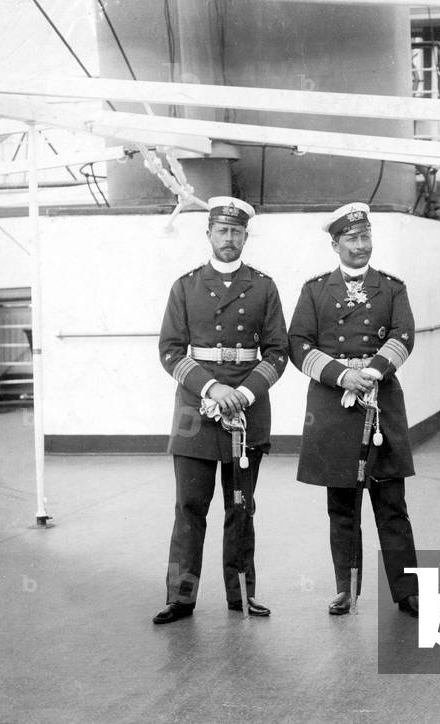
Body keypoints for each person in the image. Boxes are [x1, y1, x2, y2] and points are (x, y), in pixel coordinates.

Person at [153, 196, 289, 624]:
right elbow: (170, 351)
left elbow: (278, 352)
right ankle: (180, 598)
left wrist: (243, 393)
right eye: (222, 230)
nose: (229, 238)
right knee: (189, 508)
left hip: (247, 412)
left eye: (237, 232)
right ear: (209, 233)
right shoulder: (186, 286)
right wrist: (212, 388)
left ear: (246, 236)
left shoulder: (264, 287)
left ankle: (242, 595)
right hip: (194, 410)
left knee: (241, 508)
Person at [288, 202, 420, 617]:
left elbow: (403, 335)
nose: (361, 245)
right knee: (342, 507)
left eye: (366, 237)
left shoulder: (392, 288)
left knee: (392, 503)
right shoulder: (314, 290)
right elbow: (298, 344)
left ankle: (408, 591)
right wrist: (342, 376)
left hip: (381, 403)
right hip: (334, 406)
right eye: (352, 239)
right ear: (335, 244)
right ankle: (347, 589)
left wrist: (374, 371)